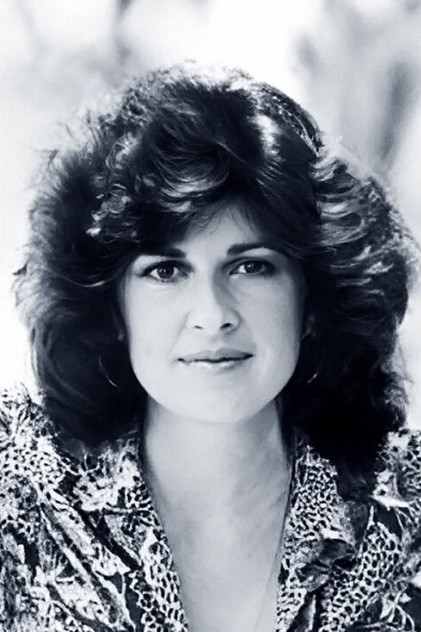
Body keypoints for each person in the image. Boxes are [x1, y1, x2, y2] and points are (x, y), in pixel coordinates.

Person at [1, 62, 420, 632]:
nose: (213, 314)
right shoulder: (21, 497)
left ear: (312, 297)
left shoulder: (406, 515)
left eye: (251, 267)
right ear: (113, 306)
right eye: (166, 271)